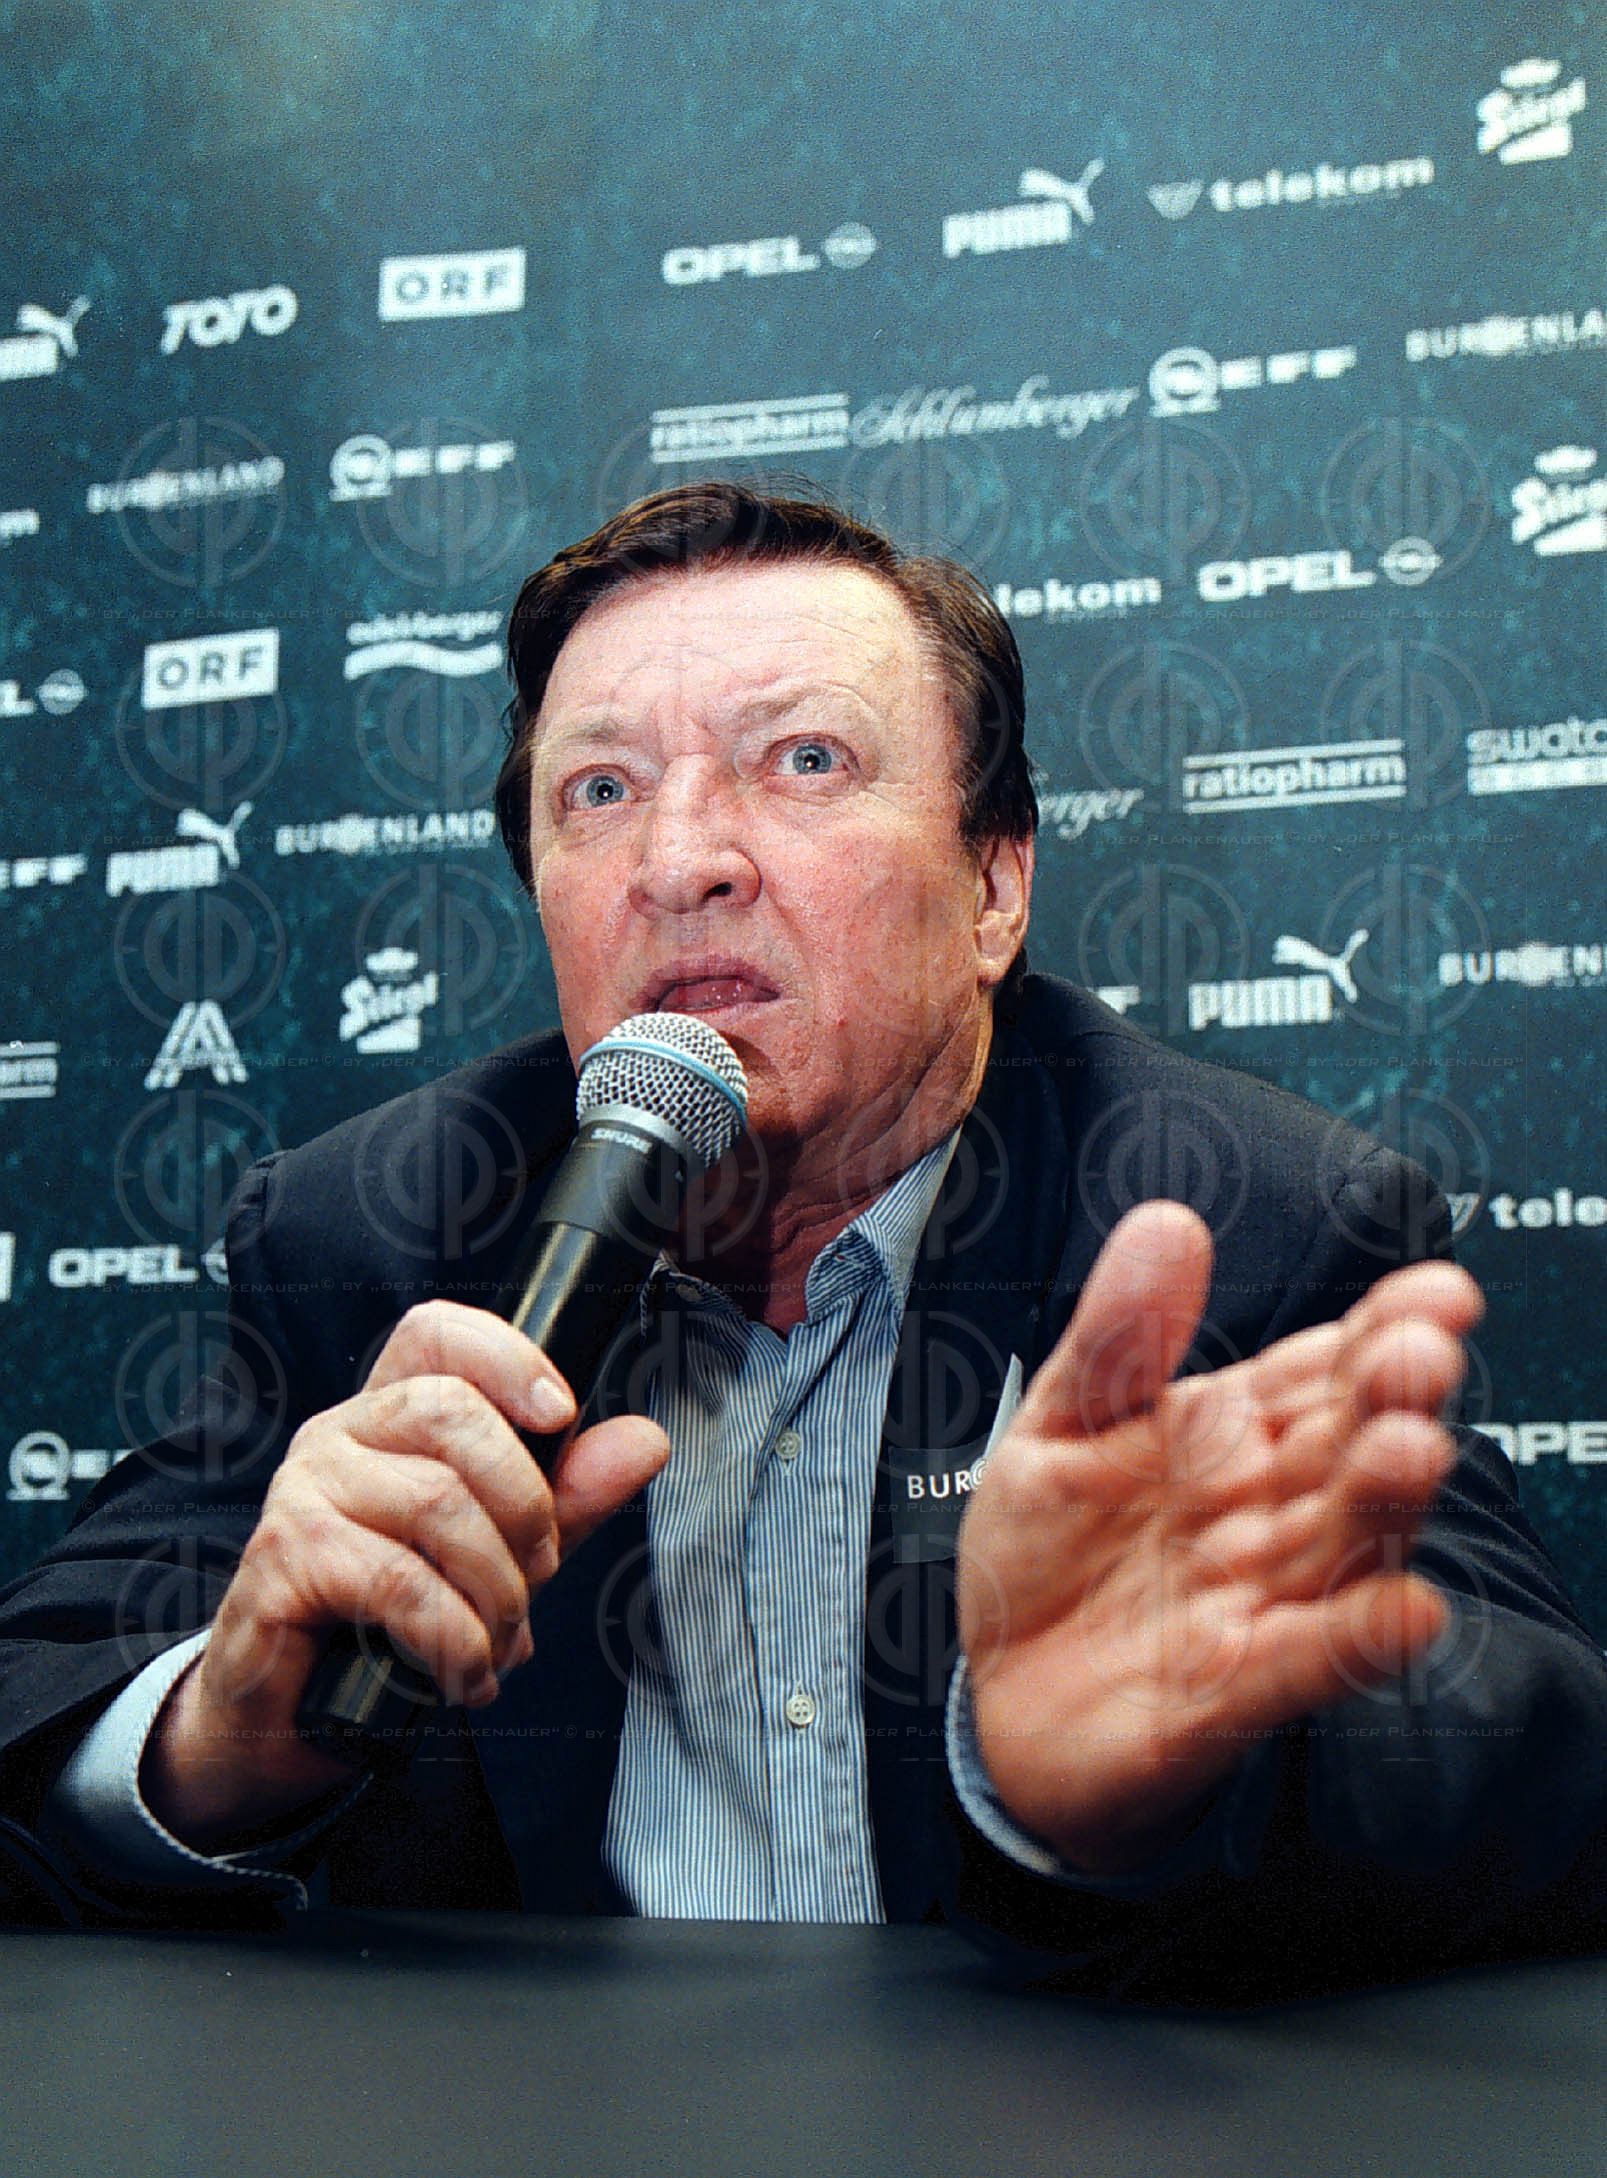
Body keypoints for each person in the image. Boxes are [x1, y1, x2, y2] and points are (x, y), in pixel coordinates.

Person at [1, 482, 1604, 2002]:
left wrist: (1154, 1773)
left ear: (994, 886)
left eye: (805, 761)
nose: (680, 860)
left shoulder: (1243, 1222)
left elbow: (1540, 1767)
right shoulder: (382, 1227)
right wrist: (221, 1732)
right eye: (601, 791)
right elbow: (43, 1687)